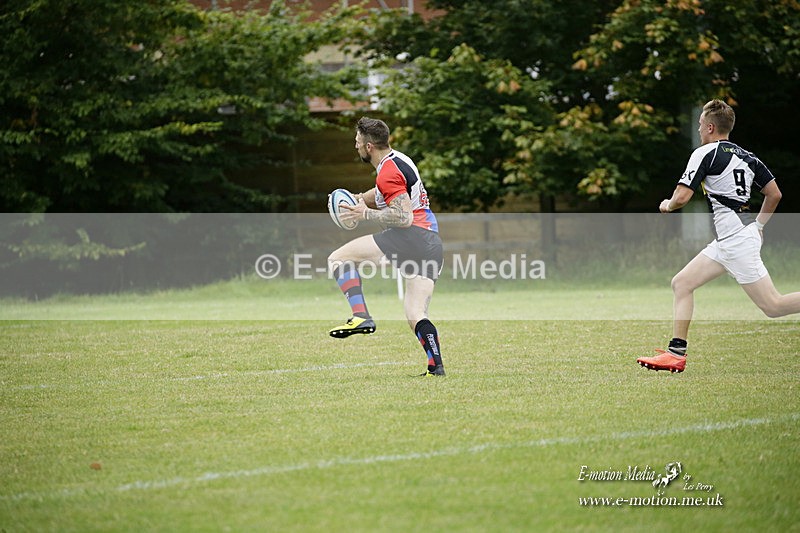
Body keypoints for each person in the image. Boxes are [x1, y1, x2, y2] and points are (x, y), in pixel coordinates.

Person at [637, 99, 800, 373]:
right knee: (682, 283)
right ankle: (676, 353)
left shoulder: (705, 153)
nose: (700, 129)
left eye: (701, 125)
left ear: (710, 127)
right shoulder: (748, 157)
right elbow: (774, 194)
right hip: (730, 240)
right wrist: (759, 227)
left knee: (773, 306)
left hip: (736, 241)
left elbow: (681, 197)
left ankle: (676, 353)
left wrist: (667, 204)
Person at [327, 117, 446, 376]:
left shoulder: (388, 172)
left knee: (338, 259)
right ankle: (435, 366)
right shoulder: (397, 160)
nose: (355, 146)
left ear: (369, 146)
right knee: (415, 313)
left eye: (357, 142)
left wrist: (364, 215)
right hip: (431, 243)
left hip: (410, 236)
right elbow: (384, 192)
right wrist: (359, 199)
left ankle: (361, 316)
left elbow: (403, 217)